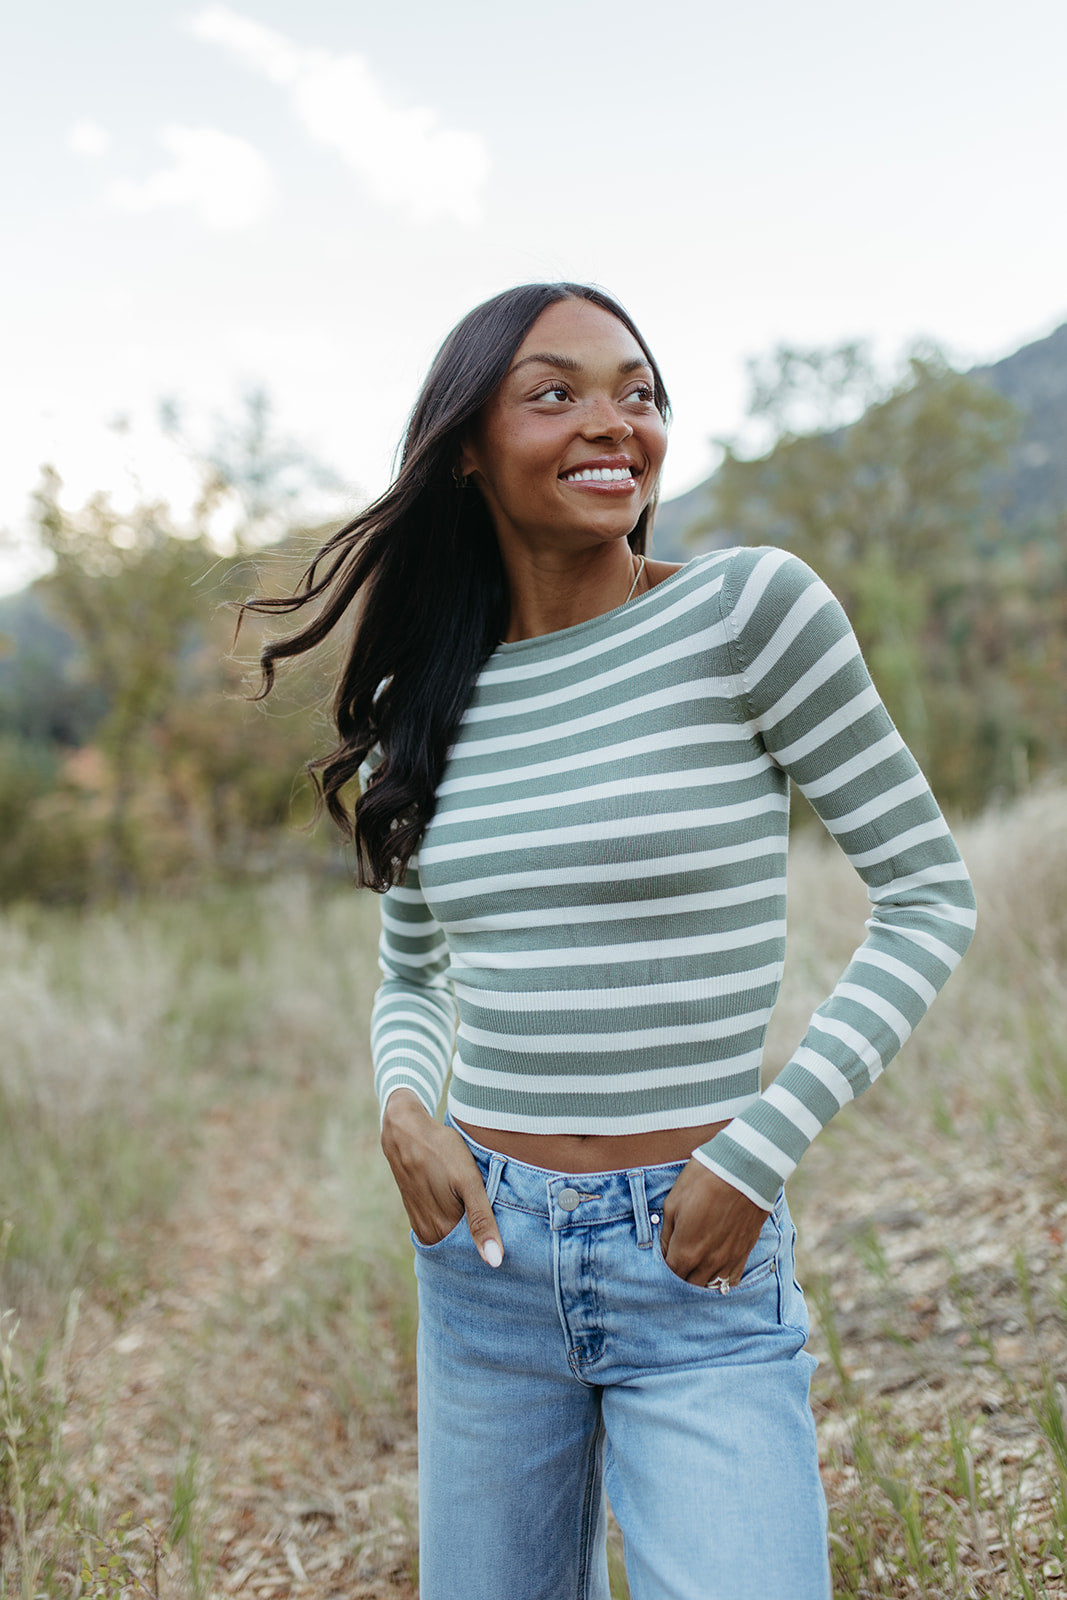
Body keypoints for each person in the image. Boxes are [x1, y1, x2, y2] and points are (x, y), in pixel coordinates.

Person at [247, 283, 976, 1600]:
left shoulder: (748, 616)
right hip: (484, 1265)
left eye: (639, 391)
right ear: (465, 446)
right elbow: (412, 973)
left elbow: (929, 893)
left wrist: (759, 1149)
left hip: (697, 1256)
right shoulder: (430, 705)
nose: (616, 422)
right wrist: (405, 1106)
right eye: (558, 391)